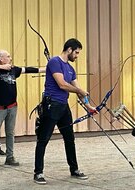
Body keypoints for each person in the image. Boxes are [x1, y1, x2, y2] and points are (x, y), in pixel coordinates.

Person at [33, 38, 97, 185]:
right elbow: (62, 84)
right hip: (51, 105)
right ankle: (38, 172)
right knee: (43, 139)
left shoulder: (70, 69)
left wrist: (89, 107)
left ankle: (74, 169)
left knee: (70, 139)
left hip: (63, 106)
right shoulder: (54, 62)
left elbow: (78, 91)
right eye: (76, 52)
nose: (77, 56)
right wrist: (79, 90)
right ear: (69, 49)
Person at [0, 49, 46, 169]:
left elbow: (27, 69)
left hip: (12, 107)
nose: (10, 58)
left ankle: (10, 157)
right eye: (8, 56)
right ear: (1, 59)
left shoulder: (13, 69)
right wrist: (4, 67)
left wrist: (47, 69)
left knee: (10, 133)